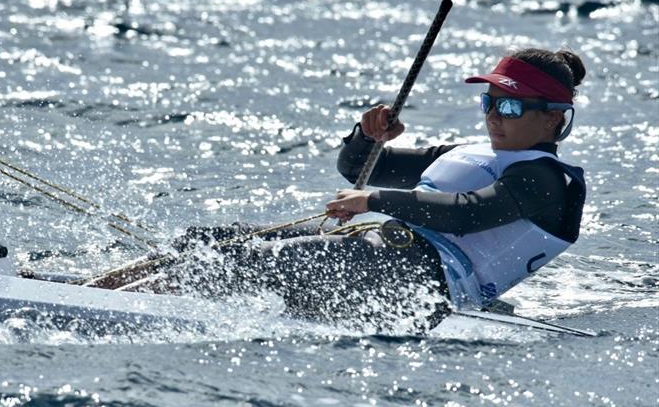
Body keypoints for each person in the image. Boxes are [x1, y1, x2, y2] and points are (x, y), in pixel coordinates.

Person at [140, 47, 587, 332]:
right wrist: (368, 133)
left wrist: (373, 201)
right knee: (207, 242)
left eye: (509, 105)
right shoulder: (466, 151)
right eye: (489, 102)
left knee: (262, 260)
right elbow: (358, 167)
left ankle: (141, 303)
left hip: (423, 284)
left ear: (553, 117)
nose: (494, 116)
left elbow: (466, 213)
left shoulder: (547, 180)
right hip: (376, 253)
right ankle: (110, 290)